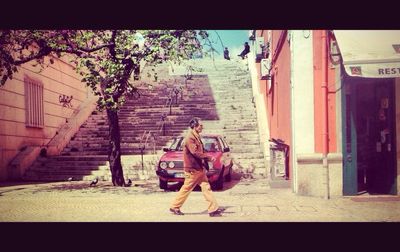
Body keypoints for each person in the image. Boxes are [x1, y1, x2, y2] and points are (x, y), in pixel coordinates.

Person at [169, 117, 224, 217]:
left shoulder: (196, 135)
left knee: (206, 188)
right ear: (194, 126)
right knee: (186, 188)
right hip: (193, 169)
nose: (202, 127)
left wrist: (205, 159)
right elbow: (195, 152)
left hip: (199, 168)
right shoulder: (190, 137)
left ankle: (213, 209)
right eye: (200, 125)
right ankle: (174, 206)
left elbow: (200, 151)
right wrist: (209, 157)